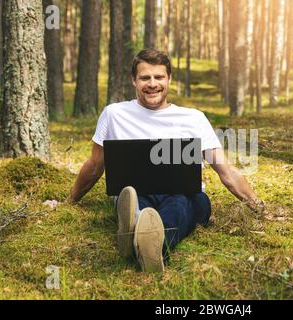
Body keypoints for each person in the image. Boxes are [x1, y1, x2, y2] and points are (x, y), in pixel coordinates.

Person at [67, 49, 263, 273]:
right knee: (134, 199)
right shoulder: (114, 114)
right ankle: (143, 235)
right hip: (137, 192)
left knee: (181, 201)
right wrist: (70, 200)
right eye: (144, 78)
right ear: (134, 81)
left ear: (169, 79)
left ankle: (143, 240)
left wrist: (259, 206)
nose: (152, 84)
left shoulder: (193, 118)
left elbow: (225, 171)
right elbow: (94, 165)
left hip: (186, 195)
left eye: (158, 77)